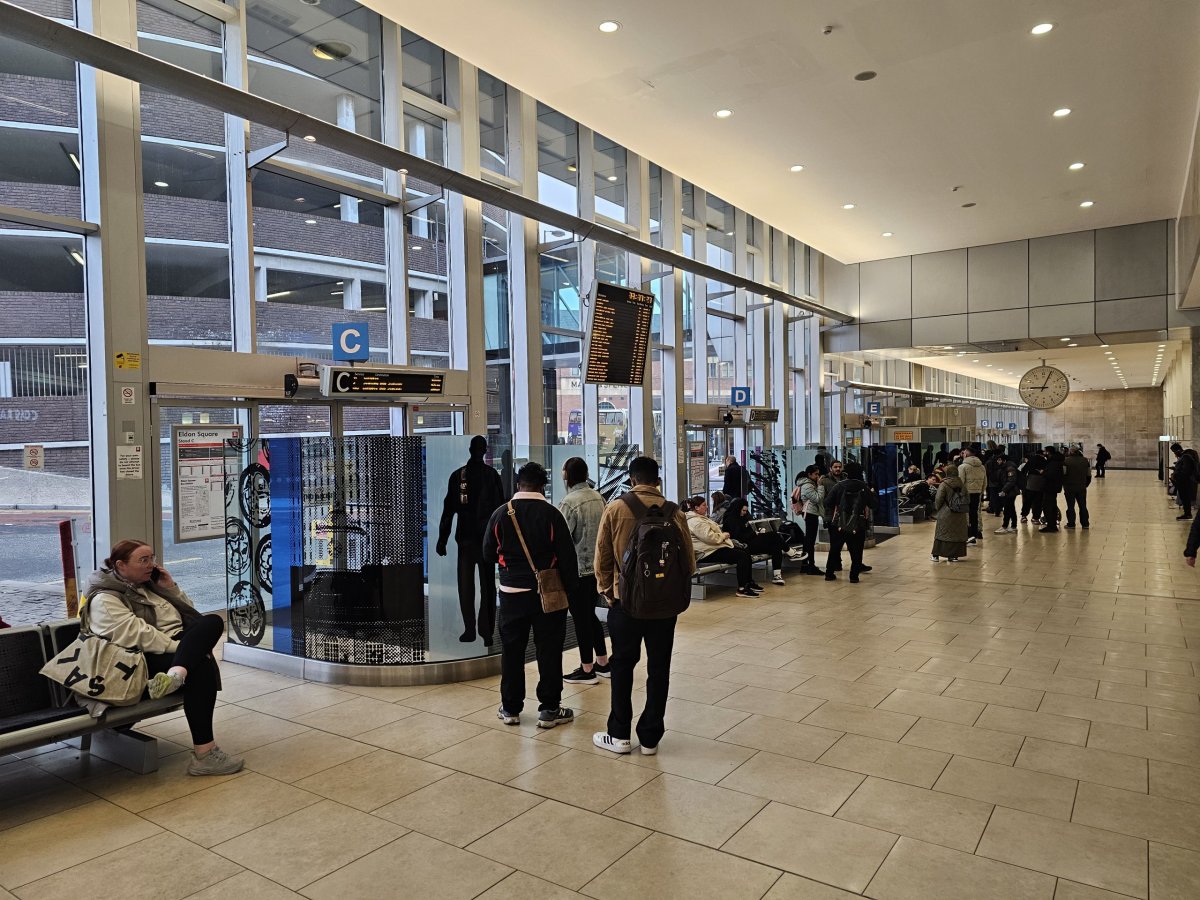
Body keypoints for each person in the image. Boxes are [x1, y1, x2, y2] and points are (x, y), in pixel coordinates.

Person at [84, 540, 242, 776]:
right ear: (121, 565)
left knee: (211, 622)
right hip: (136, 662)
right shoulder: (105, 599)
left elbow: (191, 615)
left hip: (171, 651)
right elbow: (139, 635)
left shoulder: (149, 586)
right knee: (200, 663)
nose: (151, 565)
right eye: (143, 560)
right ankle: (204, 753)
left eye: (152, 558)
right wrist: (185, 649)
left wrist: (171, 588)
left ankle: (177, 674)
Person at [592, 456, 696, 755]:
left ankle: (619, 734)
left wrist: (609, 593)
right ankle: (650, 738)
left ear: (631, 479)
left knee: (622, 665)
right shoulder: (675, 512)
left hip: (625, 603)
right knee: (659, 667)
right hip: (664, 606)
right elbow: (688, 562)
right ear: (658, 480)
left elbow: (602, 559)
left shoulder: (615, 508)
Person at [482, 462, 578, 729]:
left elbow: (488, 553)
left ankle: (511, 708)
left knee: (512, 651)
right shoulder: (551, 514)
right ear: (542, 485)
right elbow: (567, 559)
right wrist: (570, 593)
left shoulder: (501, 514)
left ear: (517, 485)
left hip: (511, 593)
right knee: (548, 649)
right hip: (547, 593)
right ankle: (549, 709)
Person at [436, 435, 505, 644]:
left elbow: (500, 511)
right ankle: (474, 630)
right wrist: (442, 538)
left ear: (482, 450)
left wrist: (443, 538)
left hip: (482, 541)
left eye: (480, 448)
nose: (478, 451)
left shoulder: (489, 476)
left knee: (483, 587)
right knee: (469, 587)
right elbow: (448, 511)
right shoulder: (459, 477)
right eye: (477, 448)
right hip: (470, 540)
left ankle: (484, 632)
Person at [557, 457, 610, 684]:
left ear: (567, 475)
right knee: (590, 616)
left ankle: (587, 668)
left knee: (581, 619)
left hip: (577, 570)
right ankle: (603, 663)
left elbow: (562, 539)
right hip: (597, 569)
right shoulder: (599, 497)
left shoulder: (570, 502)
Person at [684, 496, 761, 597]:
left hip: (712, 548)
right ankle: (742, 588)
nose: (707, 507)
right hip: (706, 552)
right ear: (697, 508)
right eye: (704, 505)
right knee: (741, 556)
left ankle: (748, 582)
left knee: (744, 551)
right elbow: (710, 537)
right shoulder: (696, 522)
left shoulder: (700, 519)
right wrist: (723, 535)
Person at [823, 461, 877, 583]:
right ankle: (854, 576)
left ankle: (829, 573)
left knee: (835, 549)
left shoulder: (839, 486)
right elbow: (873, 504)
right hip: (858, 524)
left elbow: (827, 503)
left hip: (839, 523)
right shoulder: (864, 487)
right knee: (857, 551)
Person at [721, 497, 786, 586]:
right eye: (743, 511)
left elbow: (746, 532)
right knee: (774, 536)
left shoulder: (741, 518)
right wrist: (754, 534)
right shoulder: (731, 520)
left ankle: (777, 575)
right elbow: (739, 538)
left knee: (775, 545)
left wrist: (754, 533)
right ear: (738, 509)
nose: (745, 513)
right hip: (744, 545)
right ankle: (790, 552)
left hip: (750, 542)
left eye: (746, 511)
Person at [931, 464, 968, 562]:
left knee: (942, 533)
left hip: (946, 513)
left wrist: (938, 509)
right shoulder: (962, 484)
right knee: (957, 534)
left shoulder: (944, 484)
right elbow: (967, 498)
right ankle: (953, 556)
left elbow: (938, 499)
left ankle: (936, 555)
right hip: (960, 513)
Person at [797, 465, 825, 575]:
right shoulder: (807, 485)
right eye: (816, 474)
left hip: (811, 513)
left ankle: (805, 565)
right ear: (809, 474)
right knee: (810, 540)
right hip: (810, 513)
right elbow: (818, 498)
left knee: (808, 539)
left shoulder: (808, 484)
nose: (818, 476)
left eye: (818, 474)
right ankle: (810, 565)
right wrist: (820, 486)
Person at [819, 459, 846, 572]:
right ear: (831, 468)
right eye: (835, 467)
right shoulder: (824, 481)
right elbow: (822, 499)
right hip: (831, 515)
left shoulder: (846, 479)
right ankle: (833, 564)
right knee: (835, 541)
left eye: (839, 466)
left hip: (844, 515)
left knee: (840, 540)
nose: (838, 469)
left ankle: (837, 562)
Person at [959, 447, 986, 544]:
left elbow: (960, 482)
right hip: (977, 493)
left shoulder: (963, 467)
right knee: (975, 514)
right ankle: (975, 535)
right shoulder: (982, 466)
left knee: (966, 515)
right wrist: (980, 492)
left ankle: (968, 535)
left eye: (964, 453)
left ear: (966, 455)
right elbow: (985, 482)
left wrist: (960, 494)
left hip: (966, 493)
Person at [1062, 447, 1092, 529]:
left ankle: (1071, 524)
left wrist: (1064, 484)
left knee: (1070, 506)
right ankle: (1085, 524)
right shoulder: (1085, 460)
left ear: (1070, 452)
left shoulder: (1066, 461)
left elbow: (1063, 474)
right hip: (1081, 487)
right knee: (1083, 506)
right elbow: (1089, 474)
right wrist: (1085, 484)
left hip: (1069, 487)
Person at [1040, 446, 1065, 532]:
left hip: (1050, 487)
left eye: (1045, 451)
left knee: (1048, 506)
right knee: (1052, 505)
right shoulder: (1056, 461)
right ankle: (1052, 524)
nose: (1044, 453)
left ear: (1048, 452)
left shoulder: (1053, 462)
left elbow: (1051, 475)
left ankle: (1051, 526)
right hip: (1054, 487)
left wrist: (1043, 473)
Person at [1170, 443, 1196, 520]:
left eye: (1174, 452)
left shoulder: (1186, 457)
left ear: (1178, 450)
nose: (1174, 454)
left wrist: (1177, 476)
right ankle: (1186, 513)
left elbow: (1186, 471)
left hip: (1185, 482)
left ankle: (1187, 514)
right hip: (1183, 481)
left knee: (1185, 498)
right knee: (1184, 497)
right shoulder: (1184, 456)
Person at [994, 461, 1020, 534]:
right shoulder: (1004, 467)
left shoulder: (1010, 468)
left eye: (999, 460)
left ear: (1004, 460)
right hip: (1009, 491)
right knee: (1010, 508)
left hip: (1011, 492)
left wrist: (1004, 490)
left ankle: (1006, 526)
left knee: (1008, 508)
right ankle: (1012, 526)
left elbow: (1011, 481)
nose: (998, 462)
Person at [1021, 452, 1044, 524]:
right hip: (1041, 483)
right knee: (1038, 502)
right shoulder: (1044, 460)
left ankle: (1024, 516)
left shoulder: (1031, 460)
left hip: (1030, 483)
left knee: (1027, 501)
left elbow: (1023, 471)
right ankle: (1035, 518)